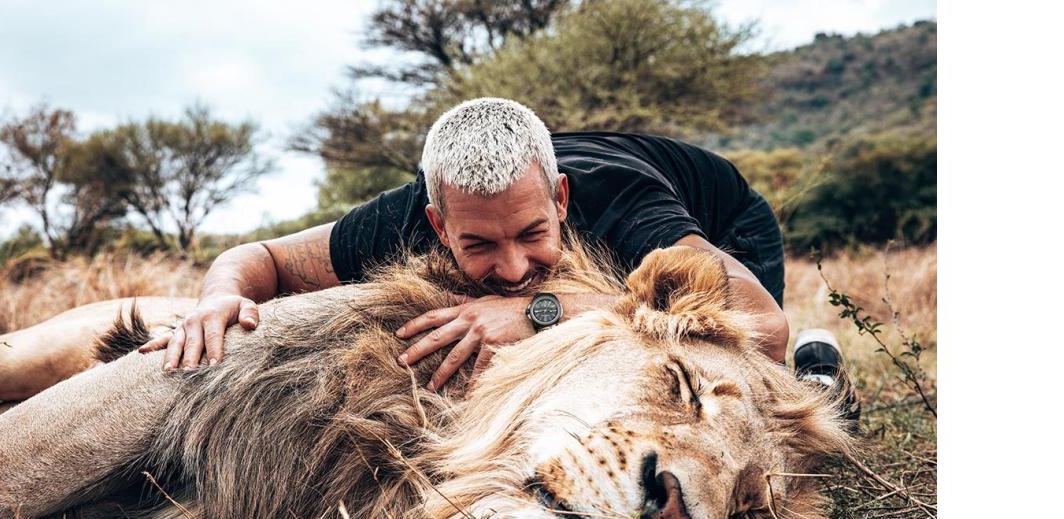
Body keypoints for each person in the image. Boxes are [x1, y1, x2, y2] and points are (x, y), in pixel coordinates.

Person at [137, 97, 857, 419]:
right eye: (479, 244)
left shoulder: (625, 202)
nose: (512, 266)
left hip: (729, 217)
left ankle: (820, 384)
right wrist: (218, 295)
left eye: (531, 234)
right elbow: (258, 256)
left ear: (563, 199)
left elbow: (759, 323)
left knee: (740, 376)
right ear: (436, 224)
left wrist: (535, 313)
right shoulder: (397, 220)